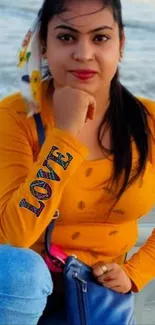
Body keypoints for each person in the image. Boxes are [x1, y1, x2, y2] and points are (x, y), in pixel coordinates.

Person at [0, 0, 155, 324]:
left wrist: (134, 273)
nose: (84, 54)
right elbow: (12, 237)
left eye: (100, 38)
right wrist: (66, 135)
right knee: (20, 269)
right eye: (67, 37)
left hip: (96, 298)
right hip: (18, 297)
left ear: (121, 45)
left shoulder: (148, 120)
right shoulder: (15, 116)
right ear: (44, 45)